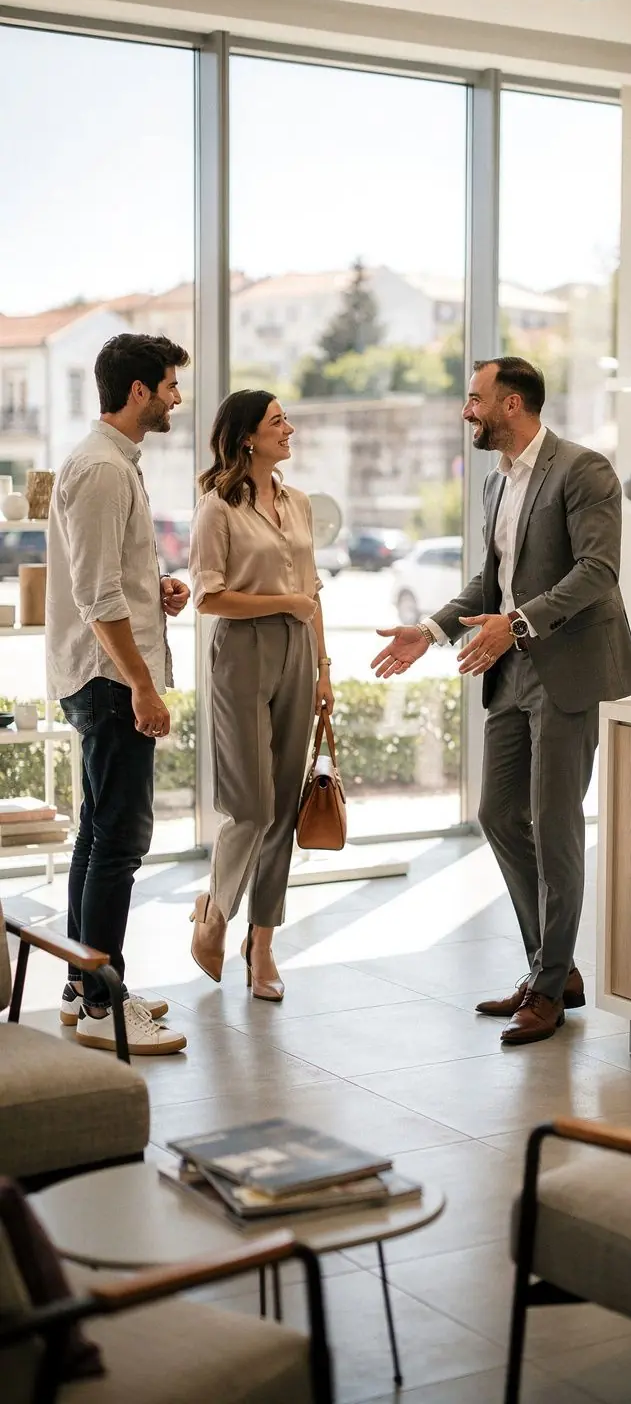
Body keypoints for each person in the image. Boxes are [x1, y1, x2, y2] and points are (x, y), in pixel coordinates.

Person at [372, 357, 631, 1046]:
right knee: (499, 813)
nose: (468, 411)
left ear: (513, 404)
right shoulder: (497, 484)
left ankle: (549, 988)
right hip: (510, 674)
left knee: (555, 829)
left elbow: (598, 572)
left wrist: (516, 625)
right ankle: (552, 969)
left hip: (568, 671)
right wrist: (429, 630)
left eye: (475, 399)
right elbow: (490, 582)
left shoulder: (583, 470)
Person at [46, 333, 192, 1056]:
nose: (175, 398)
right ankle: (107, 1005)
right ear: (138, 391)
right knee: (121, 842)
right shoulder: (102, 469)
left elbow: (109, 583)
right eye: (168, 386)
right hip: (110, 683)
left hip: (102, 674)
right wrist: (143, 684)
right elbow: (96, 592)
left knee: (97, 835)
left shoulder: (107, 463)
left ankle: (83, 989)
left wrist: (152, 589)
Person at [188, 390, 333, 1000]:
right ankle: (216, 914)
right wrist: (283, 602)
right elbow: (207, 596)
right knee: (252, 805)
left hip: (299, 651)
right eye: (278, 422)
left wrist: (324, 669)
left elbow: (313, 592)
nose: (289, 428)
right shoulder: (217, 508)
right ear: (248, 435)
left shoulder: (297, 503)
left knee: (283, 805)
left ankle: (263, 946)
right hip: (242, 652)